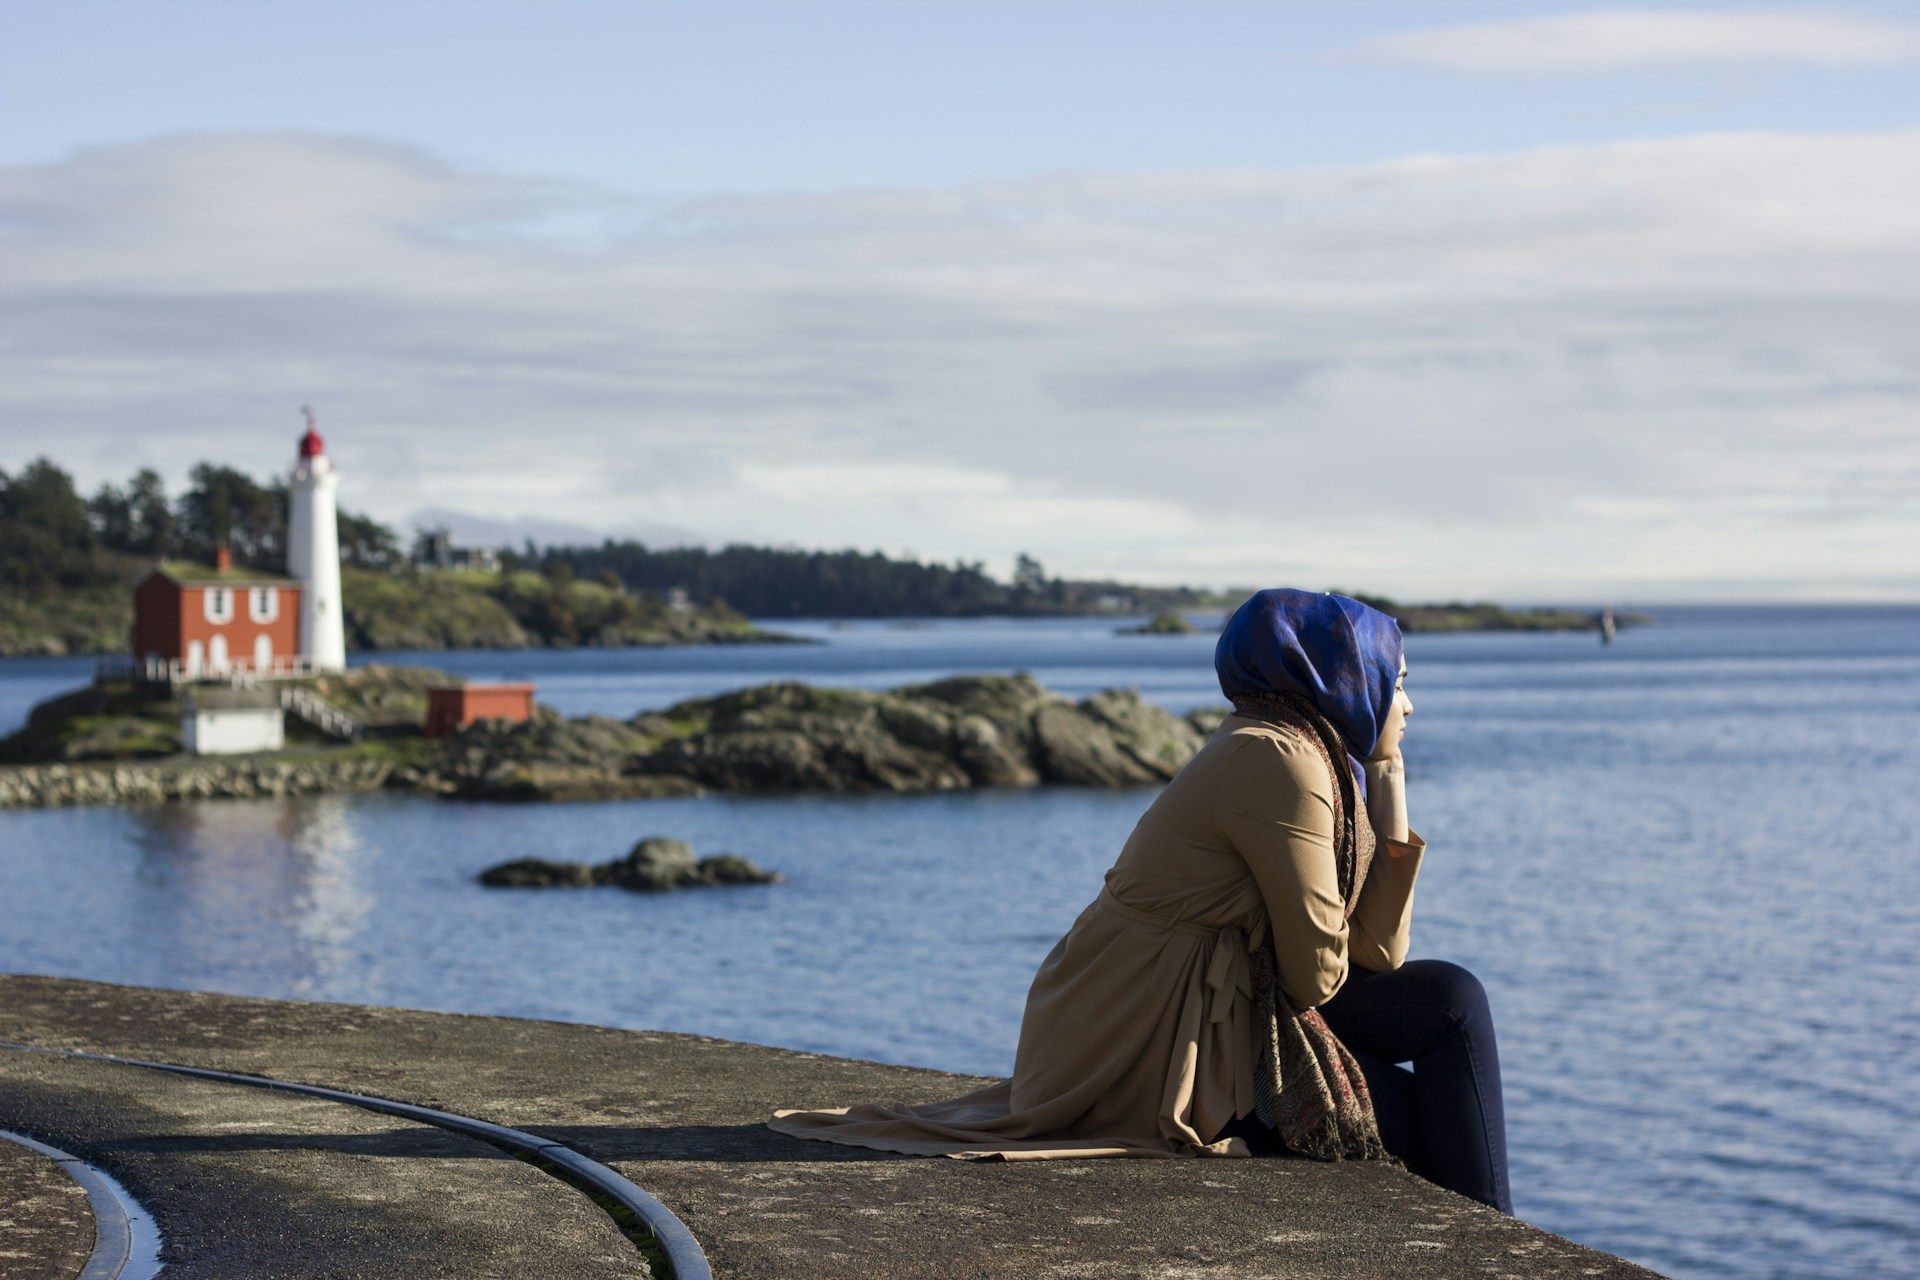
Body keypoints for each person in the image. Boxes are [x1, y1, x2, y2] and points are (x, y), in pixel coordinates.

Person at [770, 588, 1511, 1213]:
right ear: (1345, 678)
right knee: (1428, 1106)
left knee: (1449, 996)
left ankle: (1499, 1237)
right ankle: (1503, 1243)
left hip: (1215, 998)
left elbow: (1380, 952)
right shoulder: (1277, 759)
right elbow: (1318, 977)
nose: (1408, 704)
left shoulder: (1316, 756)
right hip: (1155, 1028)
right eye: (1399, 680)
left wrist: (1389, 783)